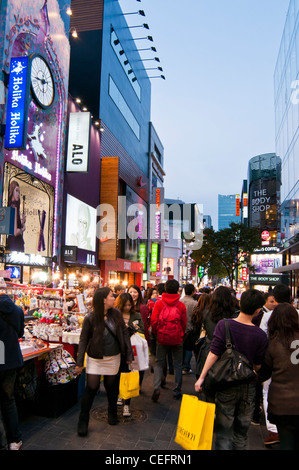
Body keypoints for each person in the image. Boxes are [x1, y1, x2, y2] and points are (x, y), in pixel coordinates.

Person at [195, 289, 268, 450]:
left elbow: (213, 354)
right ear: (257, 311)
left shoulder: (225, 325)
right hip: (248, 387)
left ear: (240, 304)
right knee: (241, 434)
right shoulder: (260, 335)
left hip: (225, 383)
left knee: (223, 432)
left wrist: (201, 377)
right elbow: (258, 365)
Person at [75, 288, 133, 434]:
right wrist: (79, 362)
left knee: (111, 387)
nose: (114, 298)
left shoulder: (117, 314)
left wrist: (129, 355)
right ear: (103, 300)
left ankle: (112, 413)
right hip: (95, 358)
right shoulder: (91, 317)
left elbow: (124, 334)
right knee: (91, 388)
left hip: (114, 357)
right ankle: (83, 420)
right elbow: (83, 340)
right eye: (111, 296)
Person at [259, 283, 296, 445]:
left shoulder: (273, 344)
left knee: (287, 442)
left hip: (281, 403)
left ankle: (273, 432)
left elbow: (264, 372)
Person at [150, 279, 187, 402]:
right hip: (177, 338)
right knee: (177, 365)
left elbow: (154, 322)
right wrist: (181, 334)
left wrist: (157, 334)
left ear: (165, 289)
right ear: (178, 290)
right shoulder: (181, 305)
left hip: (162, 337)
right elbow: (184, 323)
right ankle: (177, 390)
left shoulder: (159, 304)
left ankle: (156, 387)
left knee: (159, 363)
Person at [0, 292, 24, 450]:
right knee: (9, 400)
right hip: (10, 358)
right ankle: (14, 440)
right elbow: (20, 333)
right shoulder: (18, 310)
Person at [195, 286, 237, 378]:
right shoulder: (235, 314)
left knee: (207, 377)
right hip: (230, 351)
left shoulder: (206, 313)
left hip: (209, 348)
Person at [114, 293, 145, 417]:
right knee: (118, 376)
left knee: (128, 375)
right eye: (125, 305)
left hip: (131, 350)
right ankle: (119, 396)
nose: (127, 307)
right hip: (116, 350)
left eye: (129, 305)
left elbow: (141, 329)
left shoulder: (136, 315)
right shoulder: (115, 315)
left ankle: (127, 404)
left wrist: (130, 327)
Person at [180, 284, 198, 374]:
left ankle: (180, 365)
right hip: (190, 329)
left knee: (181, 348)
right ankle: (186, 367)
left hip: (180, 328)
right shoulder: (195, 303)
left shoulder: (180, 301)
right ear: (192, 292)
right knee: (188, 349)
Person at [6, 180, 26, 253]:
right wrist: (23, 229)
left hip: (12, 243)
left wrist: (22, 223)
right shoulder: (14, 206)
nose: (18, 194)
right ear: (12, 190)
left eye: (19, 192)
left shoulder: (11, 205)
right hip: (16, 244)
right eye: (16, 191)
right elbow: (15, 232)